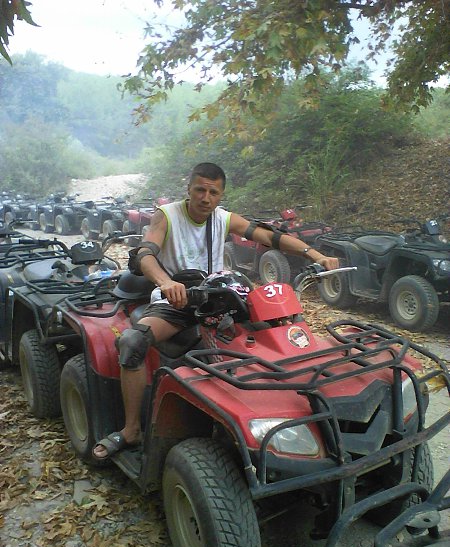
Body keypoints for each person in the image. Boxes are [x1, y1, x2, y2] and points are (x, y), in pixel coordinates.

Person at [93, 162, 339, 459]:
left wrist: (316, 255)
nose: (205, 198)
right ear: (189, 189)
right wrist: (166, 282)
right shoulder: (166, 215)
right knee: (133, 342)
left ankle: (296, 412)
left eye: (213, 193)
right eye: (200, 190)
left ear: (221, 195)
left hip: (221, 297)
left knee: (280, 336)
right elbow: (145, 253)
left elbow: (269, 236)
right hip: (178, 301)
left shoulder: (223, 218)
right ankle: (131, 429)